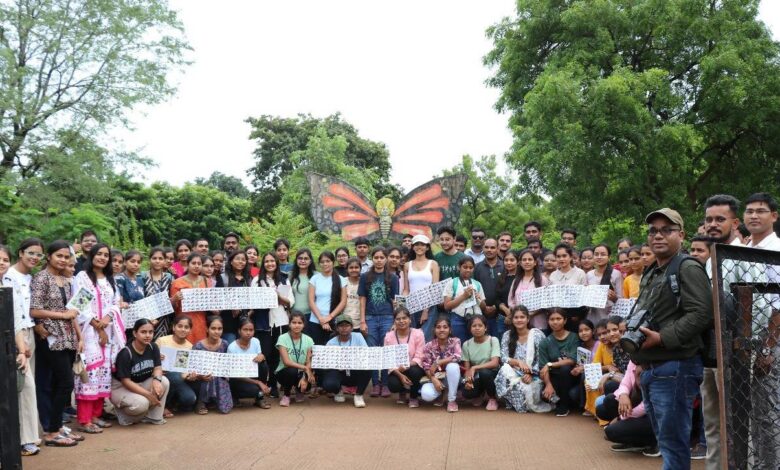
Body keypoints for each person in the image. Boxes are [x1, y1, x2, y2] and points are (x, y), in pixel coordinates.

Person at [628, 208, 712, 469]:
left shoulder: (687, 267)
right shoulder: (653, 270)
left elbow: (702, 313)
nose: (658, 236)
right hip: (654, 368)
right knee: (666, 443)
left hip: (676, 366)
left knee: (674, 445)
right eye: (653, 231)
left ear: (681, 235)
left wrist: (663, 338)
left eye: (667, 230)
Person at [31, 240, 84, 447]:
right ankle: (51, 432)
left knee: (59, 384)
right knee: (65, 383)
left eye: (66, 256)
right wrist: (62, 315)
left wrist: (80, 338)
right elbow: (34, 310)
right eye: (58, 256)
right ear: (49, 257)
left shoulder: (67, 280)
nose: (62, 260)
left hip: (69, 338)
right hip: (50, 337)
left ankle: (58, 427)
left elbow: (74, 312)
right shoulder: (41, 278)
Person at [741, 193, 780, 468]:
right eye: (750, 211)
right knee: (752, 413)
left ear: (774, 216)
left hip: (770, 344)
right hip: (746, 342)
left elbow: (778, 306)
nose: (754, 215)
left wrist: (768, 348)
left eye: (761, 211)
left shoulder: (774, 249)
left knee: (769, 415)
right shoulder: (745, 248)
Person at [73, 243, 126, 435]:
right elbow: (80, 305)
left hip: (108, 330)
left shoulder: (110, 279)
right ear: (91, 256)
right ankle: (84, 420)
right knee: (89, 375)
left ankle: (96, 415)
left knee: (103, 373)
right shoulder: (83, 277)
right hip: (89, 333)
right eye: (99, 254)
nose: (103, 258)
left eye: (106, 255)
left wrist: (107, 319)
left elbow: (115, 303)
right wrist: (98, 327)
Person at [4, 239, 44, 456]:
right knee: (25, 385)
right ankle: (24, 439)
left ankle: (30, 433)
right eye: (31, 253)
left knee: (28, 385)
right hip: (17, 335)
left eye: (39, 255)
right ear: (20, 253)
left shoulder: (31, 278)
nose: (34, 258)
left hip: (28, 332)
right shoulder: (9, 276)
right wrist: (21, 343)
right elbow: (15, 313)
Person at [111, 319, 169, 425]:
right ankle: (124, 417)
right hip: (121, 387)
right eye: (143, 332)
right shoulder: (126, 353)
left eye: (150, 332)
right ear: (134, 333)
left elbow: (157, 367)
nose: (147, 335)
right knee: (142, 403)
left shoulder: (153, 346)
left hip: (140, 382)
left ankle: (154, 417)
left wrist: (156, 380)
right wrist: (148, 394)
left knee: (163, 381)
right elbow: (126, 382)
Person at [251, 252, 294, 398]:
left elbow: (289, 301)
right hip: (263, 321)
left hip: (281, 321)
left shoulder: (283, 279)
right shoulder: (257, 280)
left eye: (272, 261)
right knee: (265, 354)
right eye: (267, 261)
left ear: (276, 263)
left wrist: (278, 296)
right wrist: (266, 298)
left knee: (277, 355)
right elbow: (252, 300)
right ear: (263, 263)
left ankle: (274, 385)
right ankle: (263, 384)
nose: (270, 264)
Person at [359, 247, 399, 397]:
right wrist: (362, 320)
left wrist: (395, 319)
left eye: (382, 257)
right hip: (370, 317)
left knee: (386, 350)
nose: (379, 260)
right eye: (376, 257)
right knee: (373, 351)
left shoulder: (393, 278)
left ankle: (385, 384)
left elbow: (396, 301)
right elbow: (362, 299)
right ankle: (375, 384)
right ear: (372, 258)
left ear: (386, 259)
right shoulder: (365, 277)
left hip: (388, 316)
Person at [495, 306, 550, 413]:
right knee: (504, 369)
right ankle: (514, 400)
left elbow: (541, 359)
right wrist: (518, 362)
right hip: (515, 372)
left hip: (534, 375)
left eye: (522, 317)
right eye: (516, 317)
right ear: (512, 319)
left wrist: (531, 374)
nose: (519, 320)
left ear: (528, 319)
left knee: (525, 403)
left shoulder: (536, 335)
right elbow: (503, 357)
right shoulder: (507, 335)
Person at [596, 360, 657, 454]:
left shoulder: (657, 364)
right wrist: (623, 395)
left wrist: (620, 418)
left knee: (611, 432)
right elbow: (625, 383)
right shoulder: (634, 360)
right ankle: (631, 436)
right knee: (607, 403)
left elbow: (647, 405)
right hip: (637, 400)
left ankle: (651, 442)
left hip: (654, 413)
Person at [321, 314, 370, 408]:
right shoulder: (331, 343)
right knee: (328, 384)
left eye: (347, 325)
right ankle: (338, 391)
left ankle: (359, 395)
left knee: (368, 367)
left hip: (355, 371)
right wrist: (336, 366)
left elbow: (365, 354)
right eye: (341, 325)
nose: (344, 328)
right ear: (337, 328)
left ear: (351, 327)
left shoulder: (358, 336)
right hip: (339, 373)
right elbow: (325, 363)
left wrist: (352, 362)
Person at [539, 308, 579, 417]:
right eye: (552, 319)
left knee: (565, 369)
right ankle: (560, 398)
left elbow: (571, 360)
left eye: (558, 318)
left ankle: (564, 405)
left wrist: (550, 364)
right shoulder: (545, 342)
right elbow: (543, 367)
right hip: (554, 377)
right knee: (545, 397)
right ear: (548, 321)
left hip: (571, 376)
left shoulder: (574, 337)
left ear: (565, 320)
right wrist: (548, 385)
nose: (555, 322)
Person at [155, 316, 197, 417]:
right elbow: (150, 358)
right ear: (173, 327)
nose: (183, 329)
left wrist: (190, 376)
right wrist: (157, 358)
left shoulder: (190, 347)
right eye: (180, 326)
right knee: (174, 377)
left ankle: (174, 404)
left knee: (190, 399)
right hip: (161, 376)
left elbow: (187, 369)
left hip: (180, 378)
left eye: (186, 327)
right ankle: (163, 406)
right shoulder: (162, 341)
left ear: (190, 330)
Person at [384, 307, 426, 408]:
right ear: (394, 321)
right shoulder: (389, 337)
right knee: (393, 385)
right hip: (397, 369)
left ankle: (413, 397)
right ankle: (402, 393)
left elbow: (420, 356)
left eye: (404, 318)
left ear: (410, 319)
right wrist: (400, 374)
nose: (401, 321)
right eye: (398, 319)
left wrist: (407, 365)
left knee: (415, 372)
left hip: (413, 366)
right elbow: (388, 360)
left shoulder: (418, 334)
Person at [420, 316, 462, 412]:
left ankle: (452, 400)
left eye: (445, 327)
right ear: (434, 330)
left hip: (452, 378)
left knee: (453, 366)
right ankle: (442, 393)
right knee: (426, 394)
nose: (441, 330)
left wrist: (439, 362)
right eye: (438, 327)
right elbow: (426, 366)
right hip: (437, 378)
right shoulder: (428, 346)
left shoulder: (455, 341)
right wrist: (433, 379)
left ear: (450, 330)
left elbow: (457, 357)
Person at [192, 316, 233, 414]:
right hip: (201, 378)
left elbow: (228, 364)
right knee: (208, 376)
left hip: (220, 376)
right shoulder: (198, 346)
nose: (217, 331)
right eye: (213, 328)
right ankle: (201, 402)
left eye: (220, 329)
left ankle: (213, 400)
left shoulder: (225, 344)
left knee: (226, 408)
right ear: (207, 329)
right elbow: (192, 366)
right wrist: (200, 376)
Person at [228, 318, 271, 409]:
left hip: (252, 375)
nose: (248, 333)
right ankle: (234, 395)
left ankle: (259, 398)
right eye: (245, 330)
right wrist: (258, 382)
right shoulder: (232, 347)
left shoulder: (255, 341)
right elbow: (233, 374)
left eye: (251, 330)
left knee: (263, 364)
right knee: (254, 390)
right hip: (238, 378)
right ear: (239, 331)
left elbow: (260, 355)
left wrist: (262, 356)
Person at [442, 256, 486, 343]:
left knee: (475, 344)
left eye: (471, 267)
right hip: (458, 319)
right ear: (459, 267)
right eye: (465, 267)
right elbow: (446, 306)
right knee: (459, 344)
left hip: (475, 319)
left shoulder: (477, 284)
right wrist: (464, 296)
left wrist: (478, 298)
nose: (468, 270)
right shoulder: (452, 283)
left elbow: (483, 307)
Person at [404, 234, 440, 339]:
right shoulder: (407, 265)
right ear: (413, 247)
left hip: (429, 306)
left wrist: (426, 310)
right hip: (412, 305)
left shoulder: (433, 264)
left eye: (422, 245)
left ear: (427, 247)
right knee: (411, 338)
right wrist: (402, 305)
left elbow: (434, 289)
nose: (419, 247)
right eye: (416, 244)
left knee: (425, 337)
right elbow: (406, 290)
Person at [460, 315, 500, 411]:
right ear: (470, 329)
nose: (477, 328)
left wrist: (475, 368)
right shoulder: (467, 344)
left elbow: (495, 363)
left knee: (484, 372)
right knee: (467, 393)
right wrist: (468, 381)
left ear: (485, 328)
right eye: (474, 326)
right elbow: (467, 369)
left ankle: (492, 398)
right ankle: (480, 394)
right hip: (477, 375)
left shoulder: (493, 340)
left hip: (492, 373)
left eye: (480, 325)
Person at [276, 311, 315, 407]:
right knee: (292, 371)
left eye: (299, 323)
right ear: (289, 324)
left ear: (304, 325)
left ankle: (299, 391)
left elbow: (308, 362)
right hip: (284, 371)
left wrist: (305, 378)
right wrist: (305, 368)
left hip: (301, 371)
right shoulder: (282, 338)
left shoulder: (309, 340)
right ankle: (286, 395)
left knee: (309, 380)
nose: (296, 326)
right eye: (294, 323)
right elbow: (286, 362)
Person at [307, 251, 347, 346]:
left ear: (333, 262)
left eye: (328, 261)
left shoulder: (341, 279)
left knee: (333, 351)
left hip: (334, 321)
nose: (325, 264)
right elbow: (311, 301)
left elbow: (343, 301)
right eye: (322, 262)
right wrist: (321, 319)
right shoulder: (315, 278)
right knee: (317, 349)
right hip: (316, 320)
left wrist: (329, 317)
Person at [170, 253, 210, 344]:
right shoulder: (177, 283)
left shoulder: (207, 281)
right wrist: (174, 299)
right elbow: (173, 308)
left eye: (199, 264)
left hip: (201, 322)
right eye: (193, 263)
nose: (196, 266)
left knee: (199, 348)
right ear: (188, 265)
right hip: (183, 323)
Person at [549, 243, 587, 331]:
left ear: (570, 257)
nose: (561, 259)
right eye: (558, 256)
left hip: (575, 317)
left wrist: (577, 316)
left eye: (564, 256)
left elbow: (584, 297)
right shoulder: (553, 275)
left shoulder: (580, 273)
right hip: (556, 318)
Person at [473, 238, 505, 339]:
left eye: (492, 247)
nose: (489, 250)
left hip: (500, 314)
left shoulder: (505, 267)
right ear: (483, 248)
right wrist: (483, 306)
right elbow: (474, 289)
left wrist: (496, 306)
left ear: (498, 249)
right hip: (481, 314)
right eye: (486, 247)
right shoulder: (477, 267)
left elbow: (508, 290)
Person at [142, 247, 175, 340]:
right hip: (146, 319)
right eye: (154, 258)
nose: (157, 261)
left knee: (160, 347)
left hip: (163, 320)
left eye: (160, 259)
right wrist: (149, 319)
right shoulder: (142, 276)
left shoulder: (169, 277)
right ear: (149, 260)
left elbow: (172, 298)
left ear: (164, 261)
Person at [219, 249, 251, 344]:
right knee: (230, 346)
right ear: (231, 261)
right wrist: (231, 305)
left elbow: (252, 298)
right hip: (228, 320)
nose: (241, 261)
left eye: (243, 259)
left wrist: (250, 311)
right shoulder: (223, 277)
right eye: (237, 259)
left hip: (245, 320)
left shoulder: (248, 279)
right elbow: (218, 297)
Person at [587, 244, 623, 322]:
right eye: (596, 254)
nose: (599, 257)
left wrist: (614, 297)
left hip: (610, 315)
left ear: (609, 257)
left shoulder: (616, 274)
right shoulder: (589, 274)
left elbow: (621, 299)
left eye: (603, 254)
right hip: (593, 315)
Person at [496, 249, 518, 331]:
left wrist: (511, 315)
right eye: (506, 260)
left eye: (512, 260)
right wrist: (505, 309)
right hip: (502, 317)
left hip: (518, 317)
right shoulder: (502, 278)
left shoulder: (521, 278)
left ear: (518, 262)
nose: (509, 263)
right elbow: (497, 298)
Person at [289, 248, 315, 318]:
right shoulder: (290, 276)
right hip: (294, 315)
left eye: (306, 258)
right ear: (296, 260)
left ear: (310, 261)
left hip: (312, 315)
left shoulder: (316, 276)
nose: (303, 261)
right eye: (300, 258)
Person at [341, 257, 363, 332]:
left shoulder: (364, 282)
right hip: (344, 319)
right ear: (347, 269)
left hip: (360, 321)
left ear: (360, 268)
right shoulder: (342, 281)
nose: (354, 270)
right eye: (351, 267)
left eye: (356, 267)